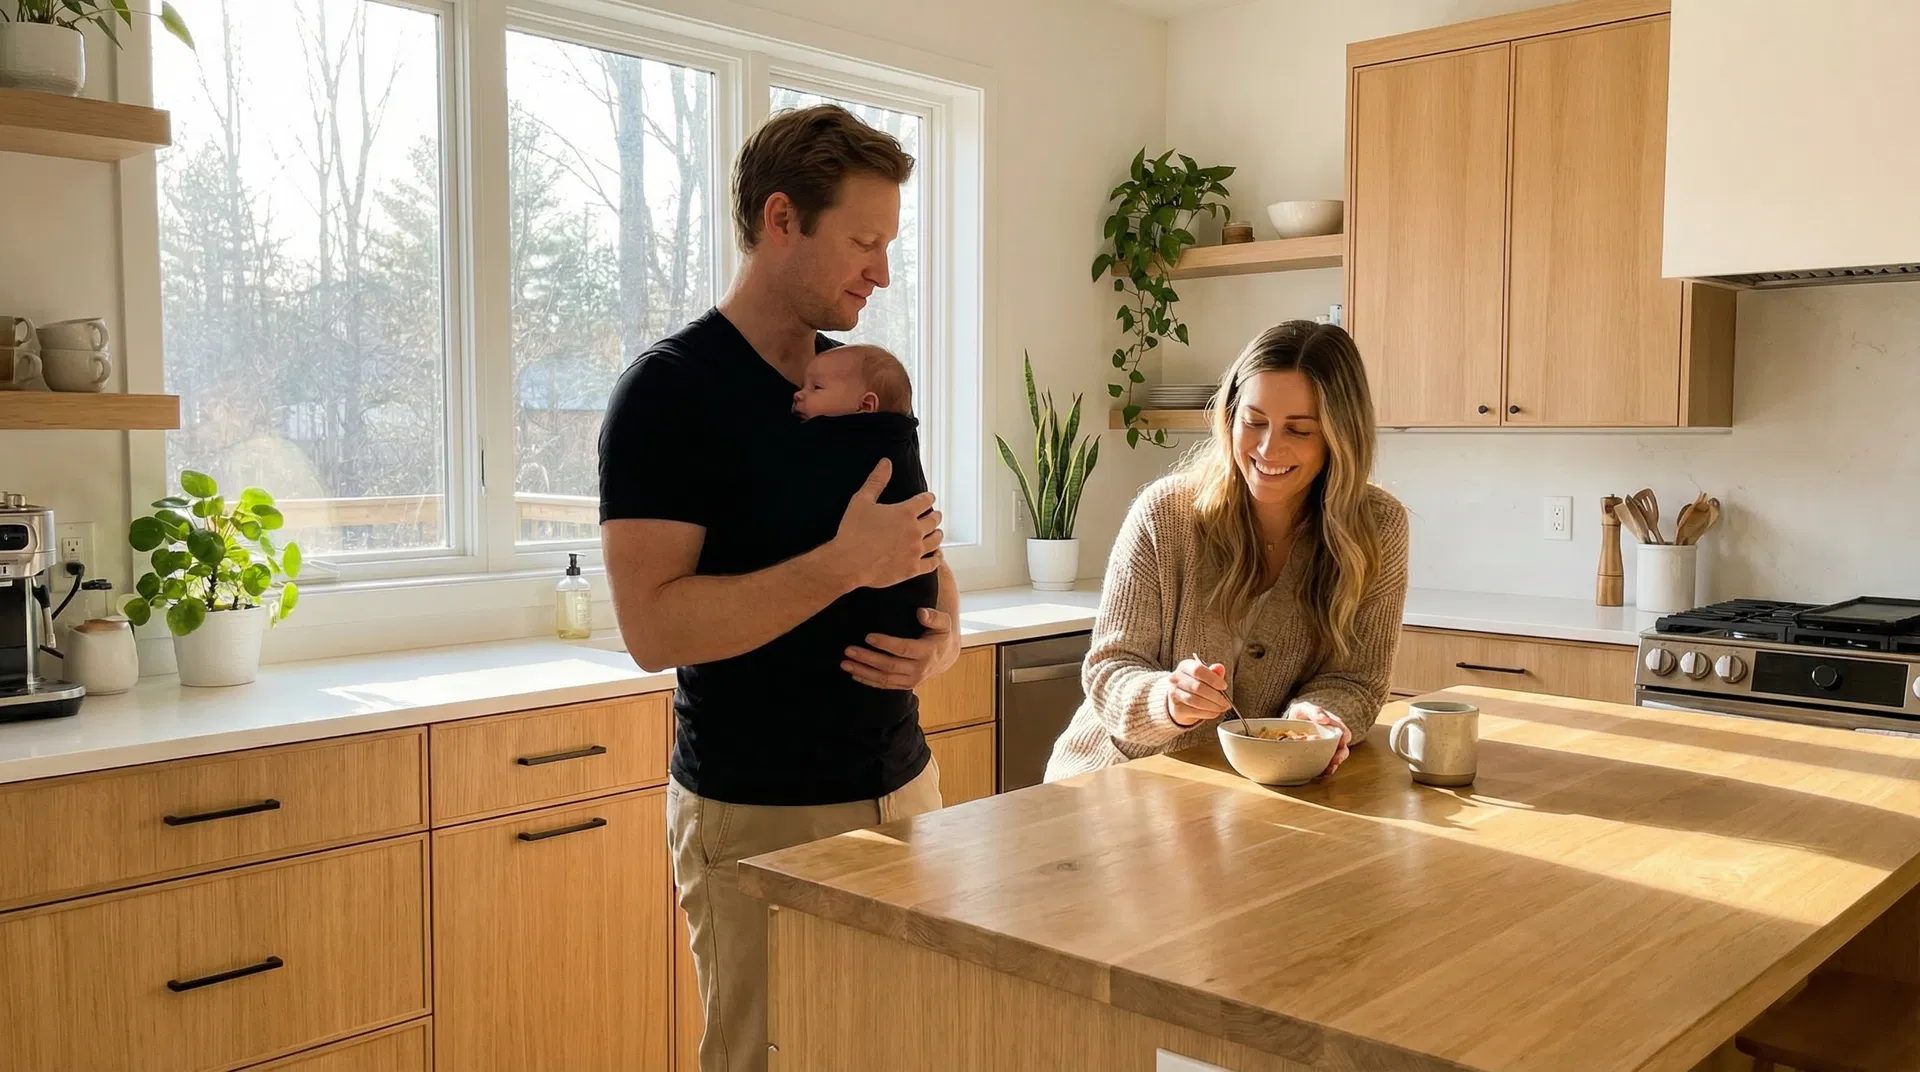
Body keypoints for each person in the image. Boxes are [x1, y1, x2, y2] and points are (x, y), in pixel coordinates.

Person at [598, 105, 957, 1072]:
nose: (881, 270)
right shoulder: (670, 396)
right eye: (864, 241)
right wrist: (844, 564)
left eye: (888, 245)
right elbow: (652, 626)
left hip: (901, 787)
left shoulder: (859, 386)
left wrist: (944, 636)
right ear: (782, 218)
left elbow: (917, 545)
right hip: (762, 816)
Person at [1044, 321, 1410, 782]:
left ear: (1341, 436)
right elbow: (1110, 669)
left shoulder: (1377, 527)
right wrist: (1167, 699)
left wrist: (1317, 718)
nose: (1267, 447)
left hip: (1254, 795)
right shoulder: (1165, 514)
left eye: (1299, 431)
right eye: (1254, 421)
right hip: (1113, 780)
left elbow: (1356, 680)